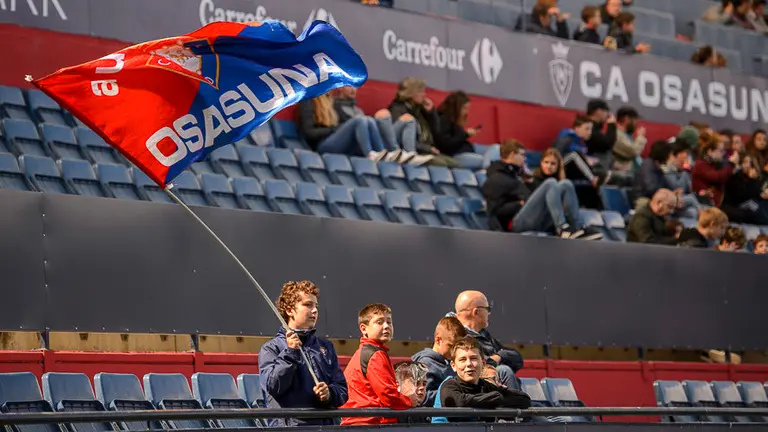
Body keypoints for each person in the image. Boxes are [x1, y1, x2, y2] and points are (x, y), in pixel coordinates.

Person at [258, 281, 348, 427]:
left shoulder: (326, 347)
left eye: (316, 305)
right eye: (308, 305)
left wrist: (329, 394)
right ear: (289, 310)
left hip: (326, 427)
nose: (315, 310)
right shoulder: (270, 348)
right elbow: (273, 386)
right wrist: (291, 352)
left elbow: (342, 390)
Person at [483, 139, 602, 239]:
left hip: (532, 218)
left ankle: (577, 227)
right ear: (513, 155)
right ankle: (562, 228)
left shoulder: (517, 175)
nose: (525, 158)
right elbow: (495, 211)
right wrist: (519, 204)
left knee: (565, 184)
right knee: (550, 183)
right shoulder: (497, 178)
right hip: (514, 224)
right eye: (522, 155)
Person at [341, 303, 416, 426]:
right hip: (370, 424)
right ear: (363, 328)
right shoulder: (375, 355)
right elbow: (388, 395)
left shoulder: (363, 353)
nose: (386, 326)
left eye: (389, 322)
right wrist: (409, 401)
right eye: (379, 322)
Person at [437, 337, 531, 423]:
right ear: (453, 366)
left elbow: (524, 399)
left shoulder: (487, 386)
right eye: (463, 360)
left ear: (483, 363)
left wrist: (495, 399)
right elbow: (460, 403)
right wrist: (493, 399)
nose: (469, 364)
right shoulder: (449, 386)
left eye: (473, 358)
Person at [451, 291, 523, 391]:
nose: (489, 313)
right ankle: (516, 404)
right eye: (487, 309)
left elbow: (517, 359)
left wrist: (498, 356)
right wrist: (494, 360)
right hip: (472, 390)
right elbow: (482, 365)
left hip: (492, 389)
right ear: (476, 312)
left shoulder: (483, 334)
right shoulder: (453, 334)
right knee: (503, 371)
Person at [334, 86, 417, 162]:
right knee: (381, 114)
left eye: (355, 86)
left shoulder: (358, 110)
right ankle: (394, 152)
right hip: (355, 144)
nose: (353, 89)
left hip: (375, 142)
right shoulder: (334, 106)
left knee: (408, 118)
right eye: (349, 86)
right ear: (340, 87)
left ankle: (410, 154)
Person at [388, 78, 458, 167]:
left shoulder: (421, 109)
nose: (424, 95)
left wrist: (431, 112)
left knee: (455, 164)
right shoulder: (397, 110)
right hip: (414, 151)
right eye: (420, 92)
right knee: (441, 163)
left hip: (427, 149)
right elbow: (403, 139)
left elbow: (437, 131)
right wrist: (427, 148)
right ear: (411, 93)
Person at [298, 94, 385, 157]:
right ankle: (369, 155)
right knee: (359, 120)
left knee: (369, 120)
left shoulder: (331, 101)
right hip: (322, 144)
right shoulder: (308, 101)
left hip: (335, 139)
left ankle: (382, 153)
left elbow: (341, 123)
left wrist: (339, 127)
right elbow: (309, 133)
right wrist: (333, 129)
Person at [412, 317, 468, 408]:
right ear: (438, 340)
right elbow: (422, 397)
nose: (455, 351)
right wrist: (452, 393)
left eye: (458, 347)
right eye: (451, 346)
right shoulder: (425, 363)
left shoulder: (451, 362)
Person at [435, 91, 485, 170]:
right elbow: (447, 145)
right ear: (457, 107)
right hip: (455, 155)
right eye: (465, 108)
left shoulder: (453, 119)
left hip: (467, 148)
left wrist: (466, 134)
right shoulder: (444, 120)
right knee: (485, 161)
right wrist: (465, 134)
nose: (466, 112)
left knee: (497, 149)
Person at [722, 153, 768, 225]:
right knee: (754, 205)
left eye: (750, 163)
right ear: (739, 163)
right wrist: (751, 180)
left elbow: (755, 193)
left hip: (747, 205)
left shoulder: (749, 177)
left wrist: (761, 194)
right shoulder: (735, 176)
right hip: (735, 205)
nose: (748, 165)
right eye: (745, 162)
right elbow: (741, 195)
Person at [692, 136, 738, 207]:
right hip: (704, 204)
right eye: (720, 151)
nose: (723, 154)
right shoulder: (700, 165)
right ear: (710, 152)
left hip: (716, 202)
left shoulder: (715, 164)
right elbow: (718, 177)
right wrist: (731, 164)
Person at [611, 106, 647, 181]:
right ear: (626, 119)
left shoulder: (626, 135)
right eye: (635, 120)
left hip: (630, 175)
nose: (637, 123)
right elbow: (633, 151)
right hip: (621, 175)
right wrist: (640, 137)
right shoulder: (616, 134)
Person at [585, 99, 617, 168]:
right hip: (591, 167)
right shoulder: (589, 127)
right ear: (598, 111)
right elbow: (607, 144)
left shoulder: (596, 128)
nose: (607, 115)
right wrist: (611, 125)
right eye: (606, 111)